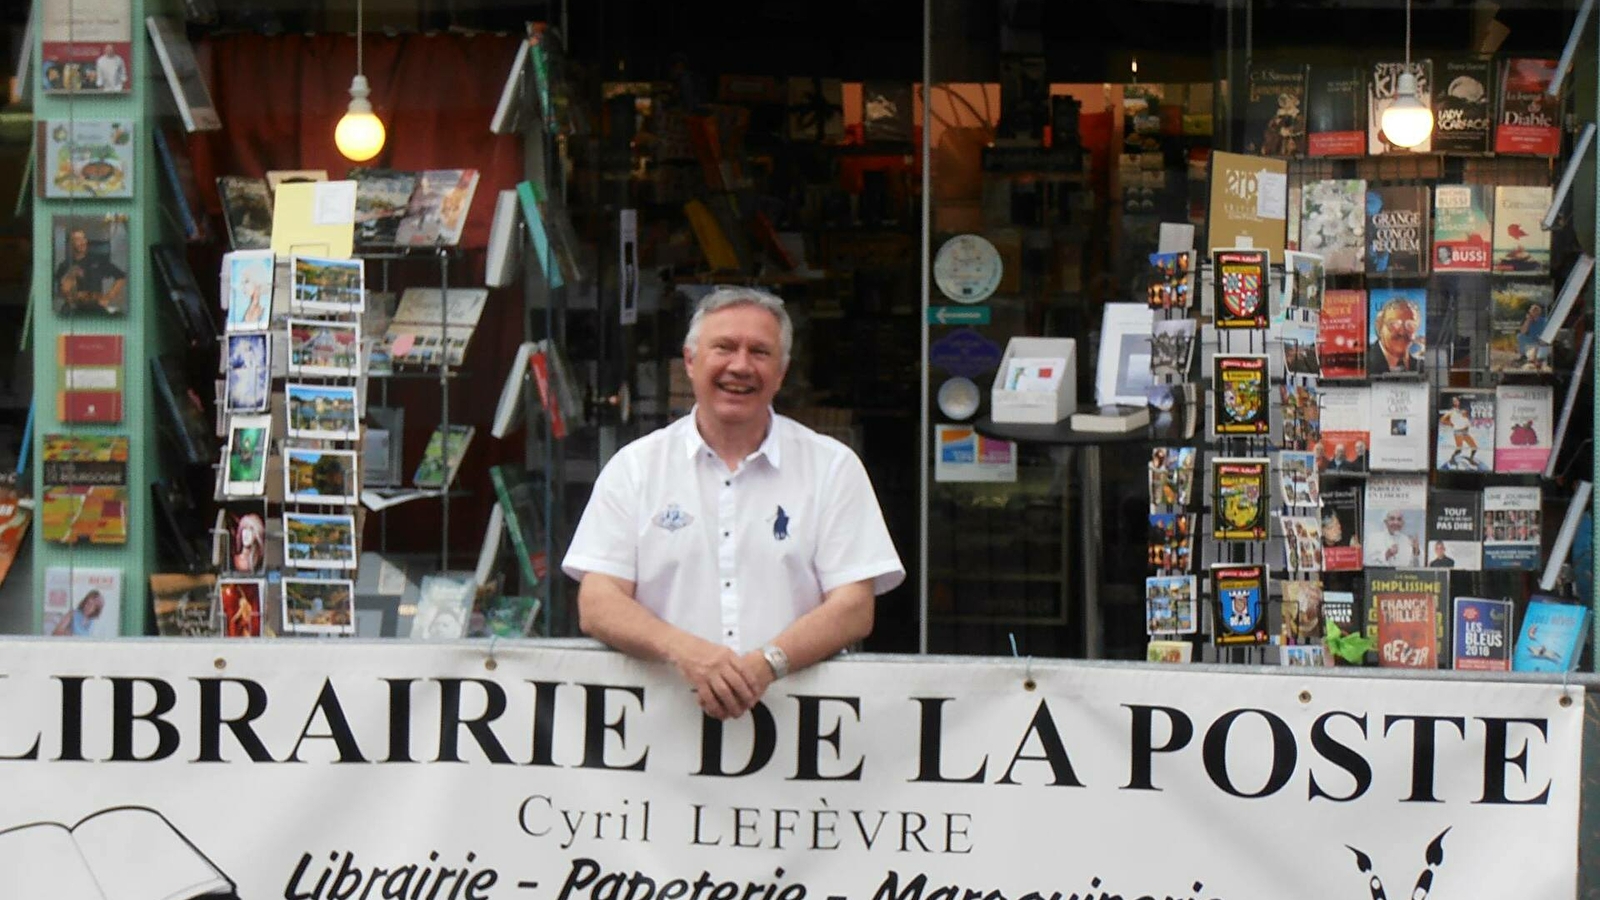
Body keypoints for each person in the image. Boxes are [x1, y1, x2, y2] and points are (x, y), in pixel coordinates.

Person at [563, 287, 905, 720]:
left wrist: (766, 665)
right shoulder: (635, 468)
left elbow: (854, 608)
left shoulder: (832, 467)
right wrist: (687, 652)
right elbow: (597, 602)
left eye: (760, 352)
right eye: (723, 347)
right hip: (658, 739)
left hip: (802, 739)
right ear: (690, 361)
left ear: (780, 373)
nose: (740, 366)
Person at [55, 227, 127, 314]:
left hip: (97, 310)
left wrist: (109, 296)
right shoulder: (65, 265)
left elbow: (121, 277)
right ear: (70, 244)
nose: (83, 242)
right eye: (78, 239)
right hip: (73, 312)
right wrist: (71, 275)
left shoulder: (98, 260)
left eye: (84, 238)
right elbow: (60, 291)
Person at [1367, 296, 1424, 374]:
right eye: (1394, 324)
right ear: (1379, 325)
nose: (1402, 332)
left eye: (1410, 325)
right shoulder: (1364, 362)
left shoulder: (1420, 367)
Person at [1439, 394, 1478, 469]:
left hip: (1465, 431)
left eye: (1456, 400)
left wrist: (1467, 423)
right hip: (1458, 431)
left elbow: (1464, 419)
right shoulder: (1450, 411)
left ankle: (1471, 459)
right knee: (1459, 449)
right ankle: (1451, 459)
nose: (1456, 402)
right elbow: (1442, 420)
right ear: (1452, 402)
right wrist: (1450, 424)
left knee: (1474, 447)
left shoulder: (1461, 410)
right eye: (1454, 401)